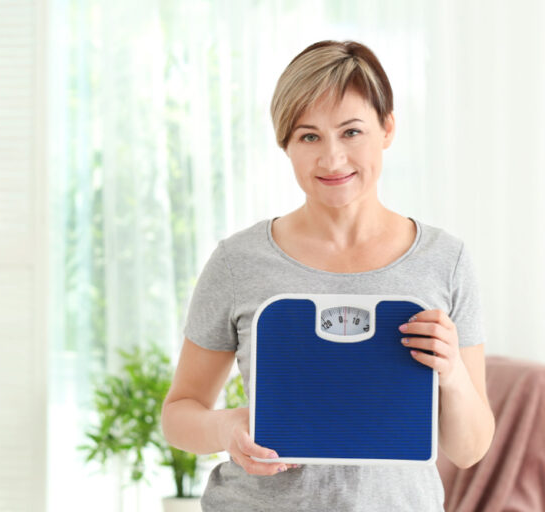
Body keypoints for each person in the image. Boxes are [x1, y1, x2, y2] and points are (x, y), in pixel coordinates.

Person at [161, 40, 495, 511]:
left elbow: (469, 449)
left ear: (387, 127)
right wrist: (227, 429)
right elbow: (179, 414)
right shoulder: (238, 262)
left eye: (352, 131)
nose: (332, 158)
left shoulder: (445, 260)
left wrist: (453, 373)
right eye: (309, 136)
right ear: (287, 146)